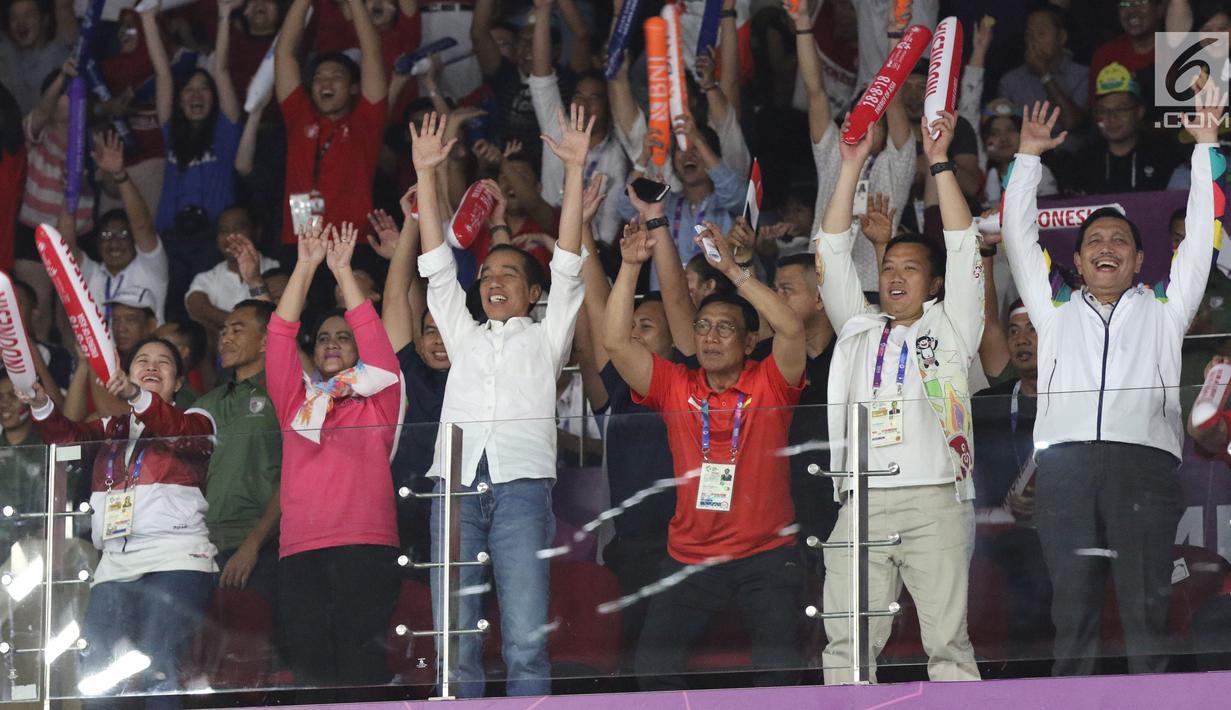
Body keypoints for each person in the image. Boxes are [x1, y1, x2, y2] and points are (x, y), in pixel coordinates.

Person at [1000, 96, 1222, 676]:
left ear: (1141, 259)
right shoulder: (1054, 309)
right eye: (1095, 240)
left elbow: (1201, 237)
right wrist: (1025, 158)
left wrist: (1204, 148)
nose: (1106, 247)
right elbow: (1019, 239)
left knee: (1146, 609)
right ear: (1076, 260)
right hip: (1066, 471)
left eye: (1119, 241)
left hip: (1144, 469)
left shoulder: (1166, 309)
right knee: (1072, 612)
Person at [412, 105, 589, 697]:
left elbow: (568, 269)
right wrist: (428, 173)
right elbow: (438, 271)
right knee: (453, 634)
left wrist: (574, 170)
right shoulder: (462, 335)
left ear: (532, 293)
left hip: (521, 489)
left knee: (524, 637)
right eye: (487, 271)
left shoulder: (545, 335)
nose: (493, 280)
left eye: (509, 273)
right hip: (456, 489)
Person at [604, 212, 807, 689]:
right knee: (651, 670)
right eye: (703, 327)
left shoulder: (771, 381)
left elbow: (792, 330)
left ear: (750, 341)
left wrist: (736, 274)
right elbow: (615, 342)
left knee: (778, 674)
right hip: (690, 555)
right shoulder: (677, 385)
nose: (710, 337)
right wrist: (631, 266)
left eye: (724, 328)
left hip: (767, 554)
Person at [816, 110, 984, 684]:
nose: (895, 275)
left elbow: (963, 247)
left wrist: (938, 162)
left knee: (947, 645)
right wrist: (853, 162)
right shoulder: (857, 328)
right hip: (860, 501)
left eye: (911, 268)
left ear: (933, 285)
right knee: (847, 645)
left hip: (935, 499)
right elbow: (833, 248)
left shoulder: (952, 327)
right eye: (888, 266)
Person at [24, 337, 217, 704]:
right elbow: (67, 438)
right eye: (142, 360)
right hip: (113, 564)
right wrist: (40, 404)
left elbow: (178, 431)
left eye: (163, 363)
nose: (151, 366)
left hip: (177, 558)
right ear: (128, 374)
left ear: (178, 382)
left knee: (160, 664)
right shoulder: (112, 427)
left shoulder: (197, 419)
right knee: (96, 671)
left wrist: (136, 397)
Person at [265, 220, 403, 687]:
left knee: (362, 673)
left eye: (343, 338)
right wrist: (305, 267)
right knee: (311, 676)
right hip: (301, 551)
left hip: (366, 547)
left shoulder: (380, 393)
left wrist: (343, 272)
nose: (331, 344)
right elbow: (281, 334)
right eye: (323, 338)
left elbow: (378, 345)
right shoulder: (296, 402)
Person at [970, 303, 1055, 657]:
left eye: (1032, 329)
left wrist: (1045, 499)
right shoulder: (985, 405)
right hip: (997, 543)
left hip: (1058, 540)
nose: (1022, 339)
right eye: (1014, 330)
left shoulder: (1077, 401)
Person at [274, 0, 386, 257]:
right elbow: (284, 54)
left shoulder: (366, 121)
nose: (326, 82)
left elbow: (371, 52)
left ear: (354, 87)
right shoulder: (299, 117)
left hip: (354, 244)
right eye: (318, 78)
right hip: (299, 242)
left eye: (336, 76)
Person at [195, 300, 281, 603]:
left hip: (261, 546)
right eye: (223, 332)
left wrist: (252, 545)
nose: (225, 338)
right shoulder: (206, 404)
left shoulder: (285, 394)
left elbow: (296, 478)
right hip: (201, 546)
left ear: (266, 341)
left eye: (237, 330)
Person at [529, 0, 626, 245]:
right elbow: (541, 77)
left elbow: (608, 231)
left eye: (594, 98)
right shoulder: (558, 126)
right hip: (549, 227)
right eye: (579, 96)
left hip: (592, 245)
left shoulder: (617, 153)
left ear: (608, 105)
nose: (584, 103)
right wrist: (542, 12)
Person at [76, 132, 171, 324]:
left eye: (122, 234)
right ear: (97, 243)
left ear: (133, 240)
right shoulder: (92, 273)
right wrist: (69, 192)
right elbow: (64, 245)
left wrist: (120, 175)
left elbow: (142, 226)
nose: (113, 242)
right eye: (106, 235)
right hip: (102, 355)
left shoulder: (151, 268)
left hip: (145, 354)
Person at [1067, 63, 1178, 195]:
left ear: (1139, 112)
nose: (1111, 118)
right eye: (1103, 111)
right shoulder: (1083, 162)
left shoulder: (1164, 157)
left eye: (1121, 109)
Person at [996, 5, 1088, 150]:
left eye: (1041, 33)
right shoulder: (1010, 82)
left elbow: (1072, 123)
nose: (1033, 41)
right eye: (1029, 35)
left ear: (1061, 37)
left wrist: (1044, 74)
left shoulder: (1082, 75)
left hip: (1074, 162)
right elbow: (1004, 133)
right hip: (1028, 161)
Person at [185, 206, 280, 330]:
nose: (231, 236)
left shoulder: (276, 269)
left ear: (256, 231)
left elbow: (278, 314)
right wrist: (243, 328)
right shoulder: (207, 278)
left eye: (239, 228)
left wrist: (255, 282)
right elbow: (197, 306)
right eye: (224, 230)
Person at [0, 0, 76, 114]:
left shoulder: (60, 53)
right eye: (13, 18)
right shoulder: (8, 52)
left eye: (28, 16)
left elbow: (63, 6)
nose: (20, 23)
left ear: (45, 20)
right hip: (17, 128)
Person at [1088, 0, 1162, 97]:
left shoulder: (1176, 50)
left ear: (1160, 9)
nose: (1131, 10)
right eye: (1124, 4)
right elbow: (1097, 108)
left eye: (1141, 2)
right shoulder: (1106, 55)